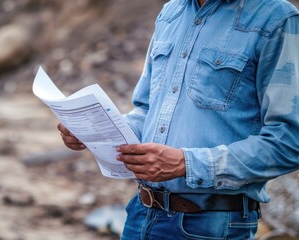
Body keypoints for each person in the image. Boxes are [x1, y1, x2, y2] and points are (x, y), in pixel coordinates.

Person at [58, 0, 299, 239]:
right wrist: (94, 129)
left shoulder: (276, 19)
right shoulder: (171, 13)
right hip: (141, 213)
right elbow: (146, 111)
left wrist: (186, 164)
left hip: (212, 226)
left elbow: (290, 141)